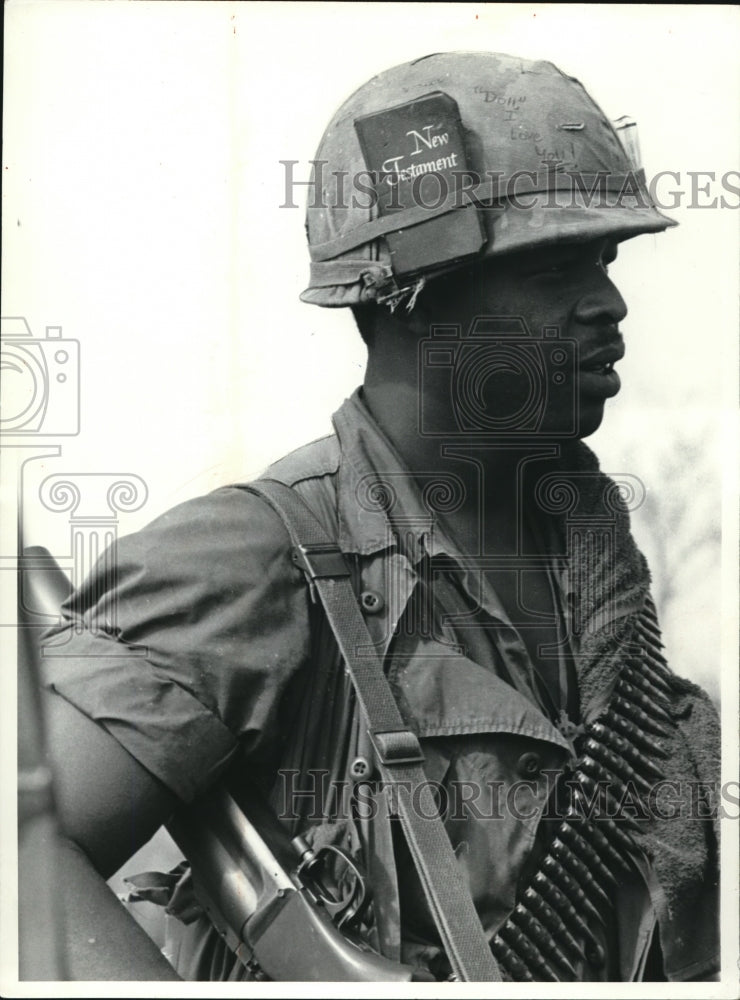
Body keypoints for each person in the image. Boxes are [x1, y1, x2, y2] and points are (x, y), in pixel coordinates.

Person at [40, 51, 720, 982]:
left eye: (603, 259)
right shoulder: (255, 557)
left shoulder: (600, 581)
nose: (610, 304)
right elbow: (23, 859)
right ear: (413, 296)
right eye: (556, 265)